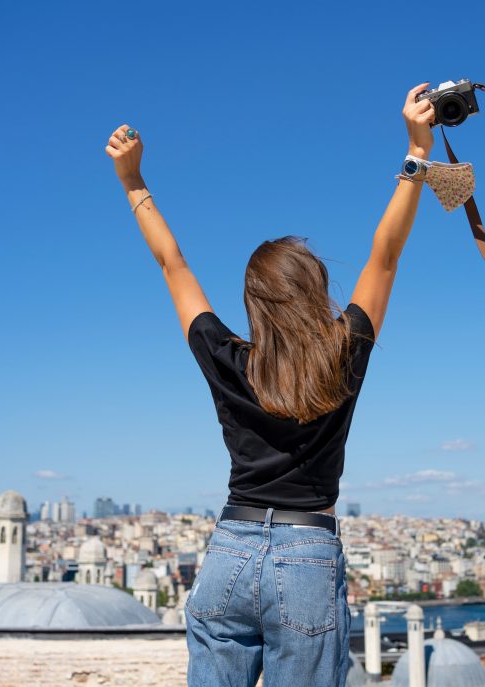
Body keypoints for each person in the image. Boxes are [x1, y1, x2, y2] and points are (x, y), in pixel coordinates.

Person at [104, 83, 436, 687]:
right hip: (306, 555)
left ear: (253, 304)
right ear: (316, 291)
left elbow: (172, 264)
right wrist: (416, 152)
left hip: (229, 549)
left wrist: (133, 181)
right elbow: (384, 258)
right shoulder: (342, 353)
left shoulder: (227, 359)